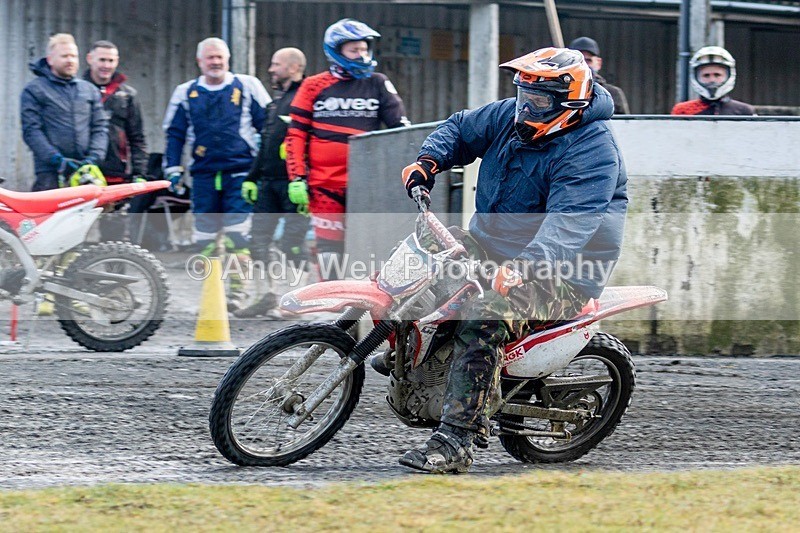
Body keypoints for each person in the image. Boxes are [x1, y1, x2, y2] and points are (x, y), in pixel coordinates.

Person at [397, 47, 627, 473]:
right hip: (496, 245)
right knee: (428, 257)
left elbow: (569, 224)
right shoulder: (511, 115)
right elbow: (461, 129)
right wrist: (429, 161)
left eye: (538, 101)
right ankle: (410, 351)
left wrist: (525, 266)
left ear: (569, 103)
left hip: (564, 270)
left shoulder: (593, 151)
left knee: (485, 314)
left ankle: (456, 440)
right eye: (524, 95)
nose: (525, 107)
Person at [285, 18, 409, 278]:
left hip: (367, 186)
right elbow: (295, 134)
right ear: (336, 51)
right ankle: (329, 299)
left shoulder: (378, 82)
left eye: (364, 49)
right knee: (329, 251)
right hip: (324, 186)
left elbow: (401, 130)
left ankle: (366, 299)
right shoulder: (313, 85)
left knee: (370, 248)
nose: (361, 55)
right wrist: (296, 178)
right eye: (354, 50)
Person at [163, 37, 271, 310]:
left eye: (219, 57)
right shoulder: (185, 92)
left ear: (228, 59)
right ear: (200, 61)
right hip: (204, 175)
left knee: (238, 235)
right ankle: (212, 296)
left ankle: (237, 293)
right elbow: (174, 134)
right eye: (210, 57)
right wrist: (173, 168)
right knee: (205, 240)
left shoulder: (247, 86)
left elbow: (269, 126)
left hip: (241, 173)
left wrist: (266, 167)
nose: (215, 62)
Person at [234, 47, 310, 319]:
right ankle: (265, 297)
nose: (271, 70)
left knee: (292, 243)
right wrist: (252, 178)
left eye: (276, 64)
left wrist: (304, 178)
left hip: (296, 185)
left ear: (293, 67)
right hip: (268, 183)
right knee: (257, 240)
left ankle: (296, 303)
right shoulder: (275, 102)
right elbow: (265, 144)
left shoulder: (308, 97)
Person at [21, 33, 108, 192]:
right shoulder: (34, 90)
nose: (70, 60)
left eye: (74, 56)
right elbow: (31, 131)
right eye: (64, 56)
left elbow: (100, 127)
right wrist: (56, 159)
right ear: (50, 60)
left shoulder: (89, 90)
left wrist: (94, 157)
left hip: (87, 170)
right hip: (50, 173)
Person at [83, 40, 148, 241]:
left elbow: (137, 138)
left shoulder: (127, 95)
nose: (106, 65)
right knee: (74, 233)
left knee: (115, 235)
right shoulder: (77, 91)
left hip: (116, 174)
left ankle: (113, 263)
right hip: (83, 172)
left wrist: (139, 173)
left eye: (111, 61)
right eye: (102, 60)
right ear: (90, 59)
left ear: (117, 61)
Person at [671, 46, 755, 116]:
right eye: (706, 75)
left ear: (729, 76)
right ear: (696, 78)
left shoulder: (744, 111)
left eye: (717, 75)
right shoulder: (683, 110)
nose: (712, 80)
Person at [569, 36, 630, 115]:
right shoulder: (560, 92)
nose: (584, 65)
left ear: (598, 63)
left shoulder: (613, 93)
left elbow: (624, 121)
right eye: (579, 60)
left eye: (588, 60)